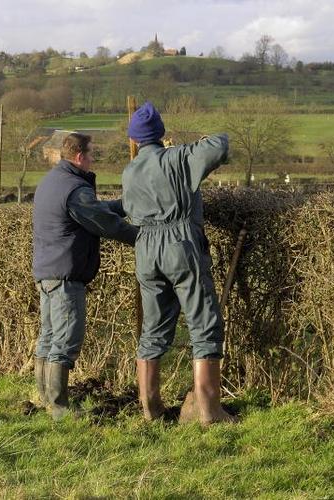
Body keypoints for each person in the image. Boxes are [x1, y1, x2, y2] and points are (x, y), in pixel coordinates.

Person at [121, 101, 237, 425]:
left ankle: (151, 408)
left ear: (135, 139)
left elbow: (129, 210)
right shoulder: (178, 158)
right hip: (179, 243)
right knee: (203, 324)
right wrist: (193, 145)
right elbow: (220, 144)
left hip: (145, 248)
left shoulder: (130, 171)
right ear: (161, 133)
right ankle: (210, 411)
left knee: (153, 329)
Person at [32, 132, 139, 420]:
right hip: (66, 274)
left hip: (47, 271)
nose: (93, 159)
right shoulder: (75, 189)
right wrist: (143, 237)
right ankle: (59, 407)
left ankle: (44, 398)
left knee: (50, 336)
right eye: (91, 154)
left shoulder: (53, 181)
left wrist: (125, 204)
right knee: (66, 340)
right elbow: (104, 223)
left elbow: (95, 210)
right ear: (79, 156)